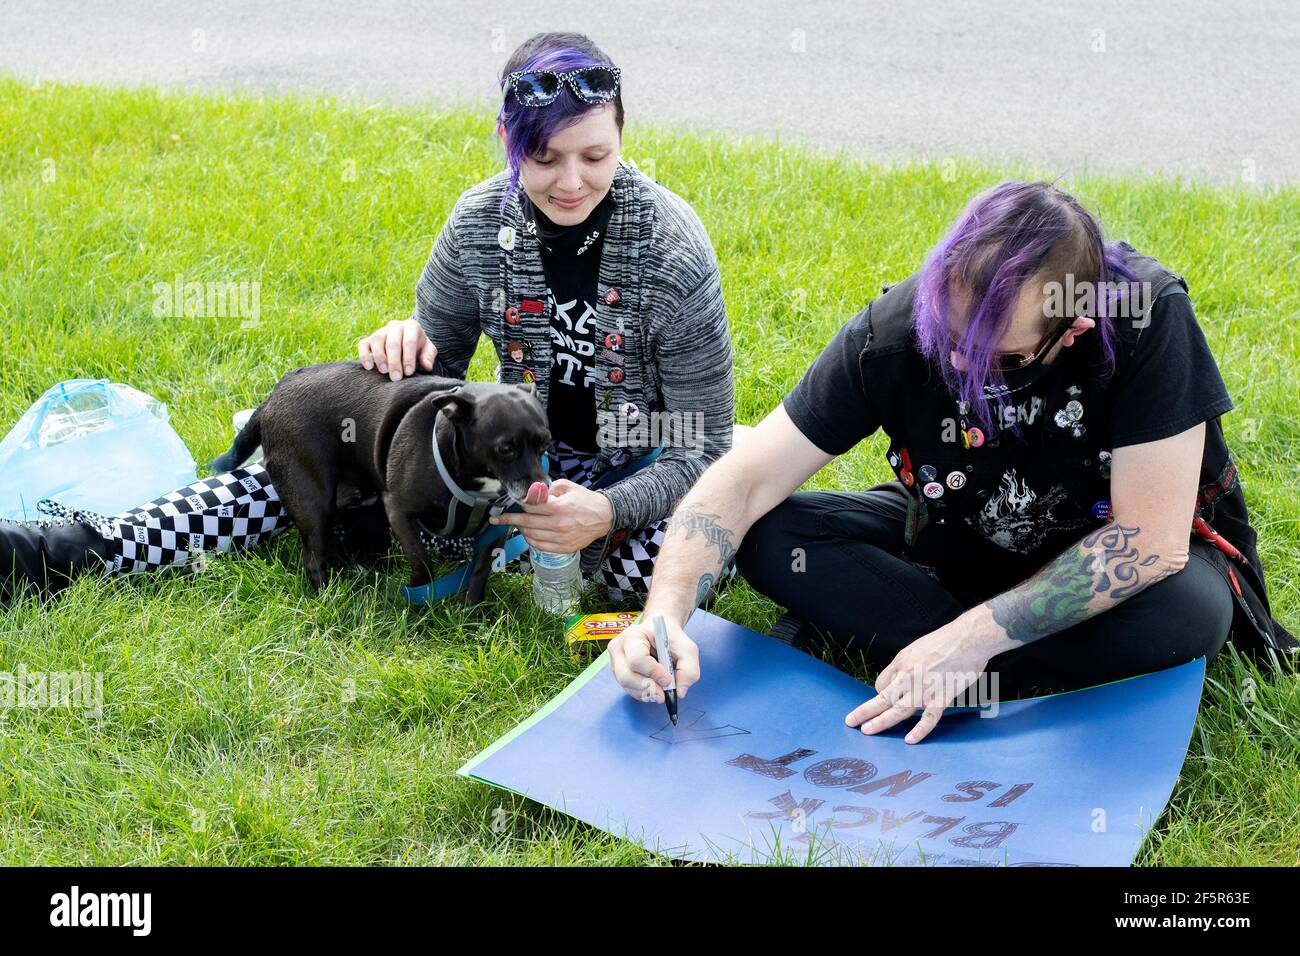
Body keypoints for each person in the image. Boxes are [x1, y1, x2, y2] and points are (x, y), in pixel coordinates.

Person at [0, 32, 737, 605]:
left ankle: (389, 529)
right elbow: (430, 387)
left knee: (671, 563)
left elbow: (701, 446)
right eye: (544, 159)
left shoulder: (671, 247)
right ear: (509, 144)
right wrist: (405, 343)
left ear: (623, 135)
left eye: (595, 155)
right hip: (504, 457)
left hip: (639, 460)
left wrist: (606, 510)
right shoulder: (482, 221)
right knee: (286, 466)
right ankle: (71, 550)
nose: (570, 182)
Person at [608, 179, 1297, 744]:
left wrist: (971, 638)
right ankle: (992, 657)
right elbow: (746, 475)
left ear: (1075, 327)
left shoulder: (1144, 317)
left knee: (1188, 616)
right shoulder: (898, 326)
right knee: (768, 537)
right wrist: (664, 616)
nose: (964, 366)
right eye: (950, 340)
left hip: (1110, 567)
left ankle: (955, 651)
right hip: (955, 545)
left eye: (1004, 357)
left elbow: (1148, 543)